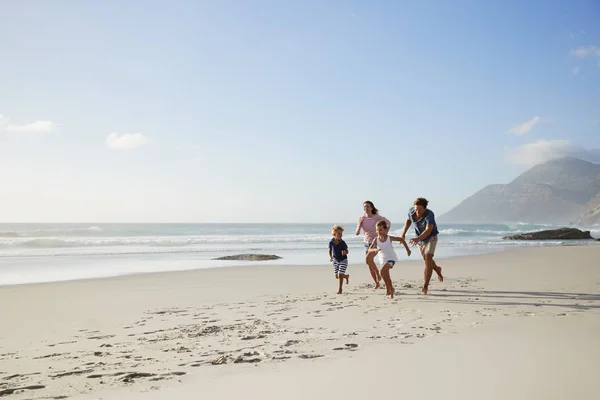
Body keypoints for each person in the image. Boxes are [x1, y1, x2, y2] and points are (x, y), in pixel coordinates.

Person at [400, 197, 443, 295]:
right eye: (416, 209)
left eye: (420, 210)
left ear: (425, 208)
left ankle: (425, 286)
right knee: (427, 261)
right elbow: (408, 221)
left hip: (431, 237)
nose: (417, 212)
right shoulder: (411, 212)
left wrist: (417, 239)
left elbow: (428, 230)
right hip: (420, 240)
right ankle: (437, 268)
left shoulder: (429, 214)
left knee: (428, 259)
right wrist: (403, 234)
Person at [367, 220, 411, 299]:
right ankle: (390, 289)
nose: (378, 231)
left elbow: (401, 240)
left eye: (380, 230)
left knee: (381, 272)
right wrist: (375, 250)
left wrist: (408, 250)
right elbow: (369, 250)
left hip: (391, 259)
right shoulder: (376, 239)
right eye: (377, 230)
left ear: (385, 229)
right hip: (383, 260)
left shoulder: (389, 238)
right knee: (386, 276)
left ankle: (389, 291)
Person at [355, 201, 390, 289]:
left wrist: (384, 234)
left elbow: (388, 223)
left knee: (368, 260)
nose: (366, 208)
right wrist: (359, 225)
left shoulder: (376, 217)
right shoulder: (362, 218)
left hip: (376, 242)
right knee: (369, 264)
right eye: (364, 206)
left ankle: (378, 274)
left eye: (367, 206)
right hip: (366, 243)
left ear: (371, 208)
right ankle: (377, 282)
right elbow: (357, 233)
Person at [328, 225, 350, 294]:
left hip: (343, 260)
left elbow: (347, 251)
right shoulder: (331, 242)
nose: (341, 235)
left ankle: (340, 289)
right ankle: (346, 276)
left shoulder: (342, 243)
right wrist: (330, 257)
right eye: (339, 234)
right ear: (334, 234)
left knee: (340, 275)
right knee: (337, 276)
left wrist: (344, 252)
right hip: (335, 261)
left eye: (341, 233)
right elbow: (330, 250)